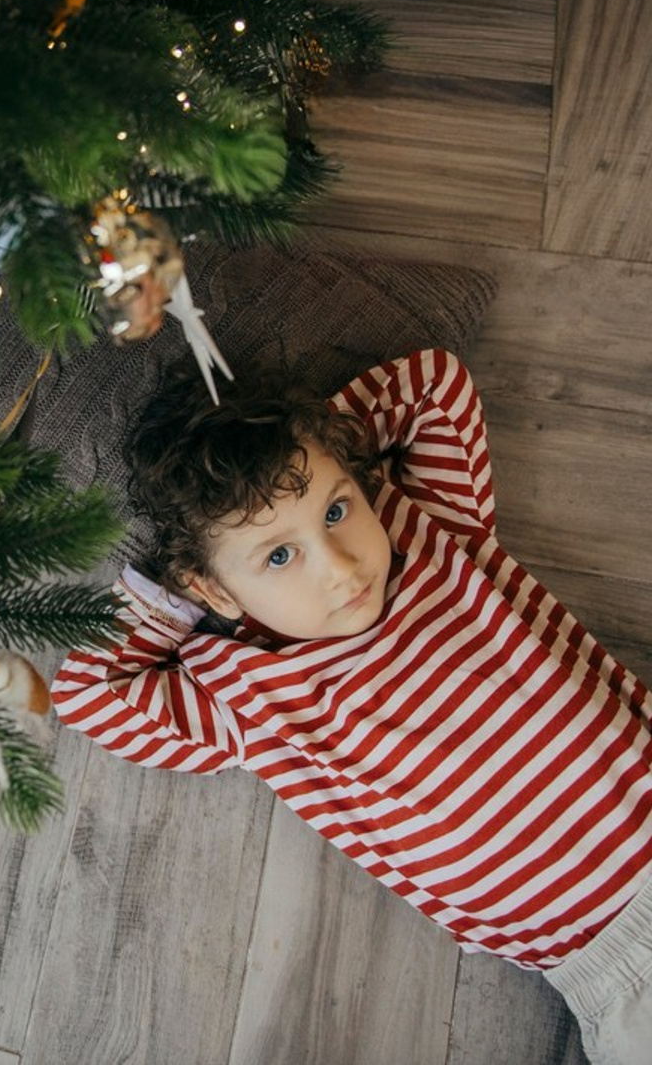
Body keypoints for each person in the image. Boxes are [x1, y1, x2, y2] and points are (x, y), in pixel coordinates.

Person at [50, 348, 652, 1065]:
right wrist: (185, 597)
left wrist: (308, 443)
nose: (341, 567)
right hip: (611, 974)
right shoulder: (243, 693)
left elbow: (435, 385)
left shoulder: (428, 526)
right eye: (279, 556)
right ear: (212, 590)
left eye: (336, 510)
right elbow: (89, 694)